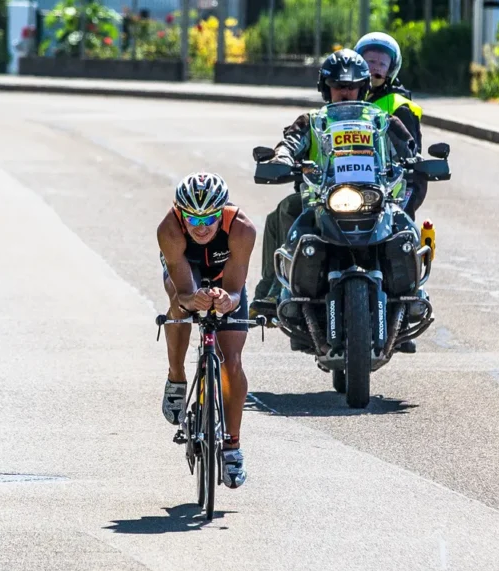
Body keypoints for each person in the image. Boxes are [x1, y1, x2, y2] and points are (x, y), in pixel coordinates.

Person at [250, 49, 419, 320]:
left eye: (352, 87)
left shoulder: (381, 120)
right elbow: (290, 142)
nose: (345, 93)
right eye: (338, 86)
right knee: (284, 212)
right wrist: (281, 157)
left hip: (375, 198)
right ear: (326, 89)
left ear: (363, 88)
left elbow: (408, 147)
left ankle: (414, 295)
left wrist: (417, 160)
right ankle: (275, 290)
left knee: (407, 228)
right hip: (322, 199)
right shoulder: (313, 120)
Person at [158, 172, 257, 489]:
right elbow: (183, 288)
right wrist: (190, 298)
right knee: (179, 310)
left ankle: (232, 446)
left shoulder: (241, 229)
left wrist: (229, 299)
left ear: (223, 211)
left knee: (232, 360)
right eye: (193, 218)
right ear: (179, 213)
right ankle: (176, 377)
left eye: (211, 218)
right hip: (187, 272)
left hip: (225, 275)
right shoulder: (170, 230)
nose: (201, 227)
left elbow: (237, 288)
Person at [355, 31, 427, 219]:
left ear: (391, 69)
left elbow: (411, 153)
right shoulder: (349, 98)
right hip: (354, 176)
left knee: (400, 227)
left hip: (398, 181)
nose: (375, 69)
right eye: (370, 62)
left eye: (382, 64)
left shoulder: (400, 106)